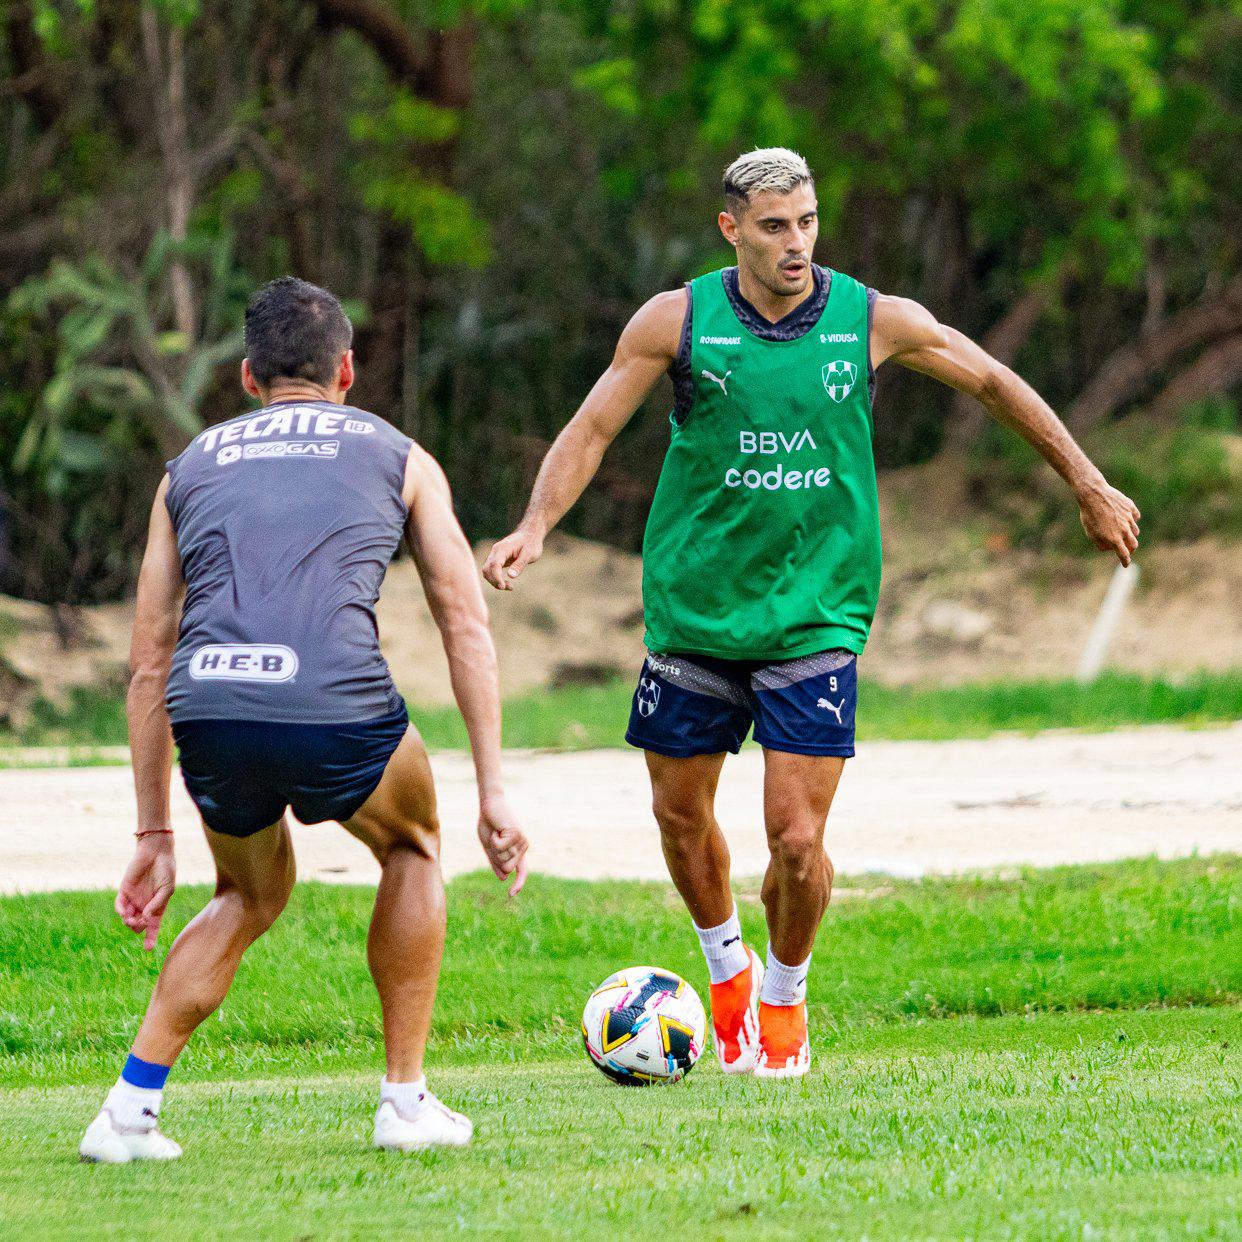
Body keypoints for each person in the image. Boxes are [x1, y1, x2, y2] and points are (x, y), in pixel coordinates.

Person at [483, 148, 1139, 1079]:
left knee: (796, 840)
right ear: (732, 230)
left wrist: (1088, 481)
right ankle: (726, 973)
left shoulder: (873, 320)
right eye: (776, 226)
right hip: (696, 611)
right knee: (678, 816)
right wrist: (535, 524)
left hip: (816, 614)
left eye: (809, 222)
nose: (797, 244)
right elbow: (592, 429)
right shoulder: (677, 321)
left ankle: (784, 999)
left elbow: (994, 381)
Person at [80, 276, 528, 1162]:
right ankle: (404, 1103)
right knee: (411, 845)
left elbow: (147, 661)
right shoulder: (400, 455)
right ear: (347, 370)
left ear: (248, 376)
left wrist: (152, 830)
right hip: (332, 700)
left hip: (209, 704)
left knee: (247, 892)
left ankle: (126, 1114)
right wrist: (493, 791)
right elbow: (462, 617)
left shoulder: (189, 467)